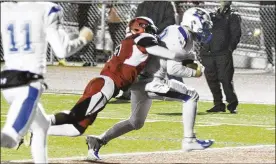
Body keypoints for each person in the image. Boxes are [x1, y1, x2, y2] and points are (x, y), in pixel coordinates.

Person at [86, 7, 214, 160]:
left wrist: (191, 63)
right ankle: (189, 140)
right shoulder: (181, 34)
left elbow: (173, 60)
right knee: (191, 96)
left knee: (135, 122)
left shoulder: (178, 32)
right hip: (151, 80)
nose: (207, 28)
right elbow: (173, 68)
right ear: (194, 22)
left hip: (142, 80)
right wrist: (196, 71)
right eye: (205, 24)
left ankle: (98, 140)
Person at [41, 17, 186, 138]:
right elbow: (169, 54)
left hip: (103, 84)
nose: (152, 34)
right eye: (149, 30)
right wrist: (187, 57)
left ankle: (38, 132)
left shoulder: (129, 43)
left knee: (76, 129)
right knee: (74, 115)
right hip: (106, 85)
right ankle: (33, 125)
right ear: (141, 29)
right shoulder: (141, 38)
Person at [0, 2, 93, 163]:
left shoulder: (5, 8)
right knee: (10, 137)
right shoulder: (47, 8)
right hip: (29, 83)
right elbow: (62, 51)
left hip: (7, 81)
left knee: (41, 126)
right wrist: (83, 39)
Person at [116, 1, 177, 100]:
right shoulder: (142, 5)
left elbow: (170, 22)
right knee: (134, 65)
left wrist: (154, 31)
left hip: (162, 40)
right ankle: (127, 92)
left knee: (168, 67)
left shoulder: (167, 4)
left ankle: (177, 91)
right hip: (144, 40)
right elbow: (136, 22)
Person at [200, 1, 241, 114]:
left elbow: (236, 34)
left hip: (223, 53)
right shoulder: (211, 15)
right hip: (208, 52)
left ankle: (232, 104)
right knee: (212, 79)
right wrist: (203, 48)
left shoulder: (233, 16)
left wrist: (229, 49)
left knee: (226, 79)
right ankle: (218, 104)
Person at [260, 1, 275, 72]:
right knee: (267, 43)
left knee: (270, 43)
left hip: (271, 21)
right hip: (267, 22)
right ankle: (270, 62)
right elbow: (261, 11)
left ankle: (270, 63)